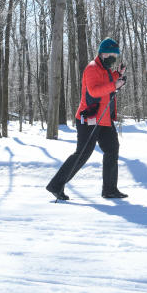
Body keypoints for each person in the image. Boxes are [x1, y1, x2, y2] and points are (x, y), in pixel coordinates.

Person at [46, 37, 128, 201]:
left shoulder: (105, 69)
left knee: (112, 149)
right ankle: (56, 185)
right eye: (111, 54)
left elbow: (106, 80)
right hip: (88, 119)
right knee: (82, 154)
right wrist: (115, 85)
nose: (113, 57)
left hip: (104, 119)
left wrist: (117, 74)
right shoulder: (92, 68)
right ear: (102, 53)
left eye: (115, 55)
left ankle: (110, 189)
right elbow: (94, 91)